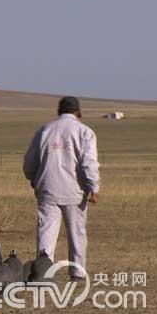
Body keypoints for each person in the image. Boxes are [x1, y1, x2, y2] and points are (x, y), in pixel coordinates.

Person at [23, 96, 100, 280]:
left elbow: (29, 162)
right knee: (77, 234)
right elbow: (88, 163)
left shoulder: (45, 130)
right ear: (78, 112)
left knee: (46, 232)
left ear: (58, 111)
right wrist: (94, 187)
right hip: (75, 191)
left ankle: (43, 272)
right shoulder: (85, 132)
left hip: (47, 189)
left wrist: (33, 178)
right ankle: (78, 272)